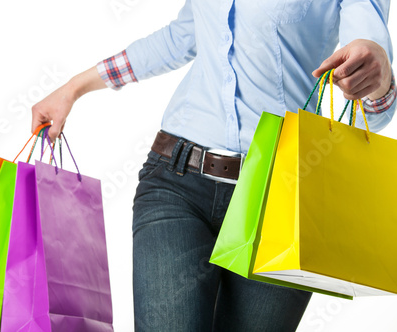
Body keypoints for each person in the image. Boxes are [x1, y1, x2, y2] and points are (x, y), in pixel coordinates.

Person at [31, 1, 396, 331]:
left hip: (281, 196)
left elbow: (373, 86)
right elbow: (182, 36)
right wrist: (74, 88)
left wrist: (377, 81)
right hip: (176, 178)